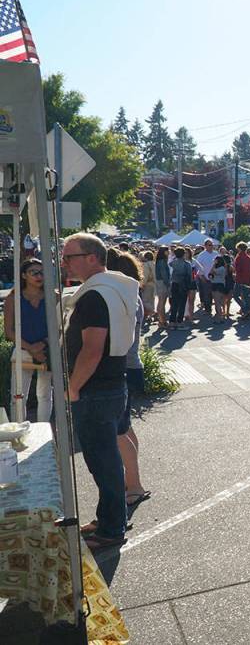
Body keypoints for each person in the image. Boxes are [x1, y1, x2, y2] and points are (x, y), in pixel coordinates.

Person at [62, 233, 139, 551]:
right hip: (110, 384)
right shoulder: (112, 288)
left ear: (92, 258)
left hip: (94, 389)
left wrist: (73, 387)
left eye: (70, 256)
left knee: (102, 461)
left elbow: (92, 349)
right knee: (105, 460)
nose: (65, 262)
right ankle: (110, 519)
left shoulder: (96, 295)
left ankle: (111, 527)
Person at [106, 250, 151, 510]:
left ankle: (134, 484)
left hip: (123, 366)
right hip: (131, 366)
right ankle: (131, 479)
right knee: (125, 429)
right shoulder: (132, 296)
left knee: (119, 431)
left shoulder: (124, 299)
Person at [4, 259, 53, 422]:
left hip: (46, 350)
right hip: (23, 350)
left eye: (42, 272)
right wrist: (30, 347)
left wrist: (44, 344)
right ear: (24, 275)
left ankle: (45, 433)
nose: (39, 276)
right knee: (17, 396)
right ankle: (18, 432)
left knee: (45, 394)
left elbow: (59, 326)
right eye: (34, 272)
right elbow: (9, 331)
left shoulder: (53, 296)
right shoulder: (13, 298)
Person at [168, 247, 191, 328]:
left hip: (174, 284)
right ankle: (180, 322)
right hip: (183, 285)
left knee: (174, 304)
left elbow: (170, 274)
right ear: (183, 254)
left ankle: (171, 322)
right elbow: (189, 276)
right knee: (182, 304)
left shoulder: (172, 263)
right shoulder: (187, 264)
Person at [194, 238, 218, 314]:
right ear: (205, 246)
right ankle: (208, 309)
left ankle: (218, 310)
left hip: (216, 278)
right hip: (205, 278)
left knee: (216, 295)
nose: (211, 246)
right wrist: (201, 276)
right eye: (209, 245)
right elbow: (197, 267)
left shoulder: (216, 254)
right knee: (207, 295)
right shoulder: (201, 255)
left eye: (212, 245)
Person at [233, 242, 250, 319]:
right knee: (246, 296)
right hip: (247, 280)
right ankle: (247, 311)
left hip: (240, 279)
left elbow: (238, 269)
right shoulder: (248, 258)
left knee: (235, 295)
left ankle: (245, 310)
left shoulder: (239, 257)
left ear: (239, 248)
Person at [154, 246, 170, 328]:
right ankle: (162, 320)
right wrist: (168, 284)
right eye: (167, 251)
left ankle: (161, 320)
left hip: (159, 281)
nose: (169, 252)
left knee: (161, 302)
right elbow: (164, 274)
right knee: (162, 302)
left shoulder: (159, 261)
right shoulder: (162, 261)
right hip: (162, 282)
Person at [210, 255, 229, 322]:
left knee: (217, 302)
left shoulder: (221, 268)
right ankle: (220, 315)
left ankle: (220, 317)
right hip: (215, 284)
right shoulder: (220, 268)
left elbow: (212, 271)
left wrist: (213, 264)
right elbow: (210, 275)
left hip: (218, 285)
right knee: (218, 302)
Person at [140, 251, 156, 320]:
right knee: (152, 300)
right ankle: (151, 315)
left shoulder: (146, 265)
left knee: (145, 300)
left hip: (148, 284)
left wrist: (142, 285)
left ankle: (152, 312)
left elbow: (145, 276)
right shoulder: (154, 264)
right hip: (154, 284)